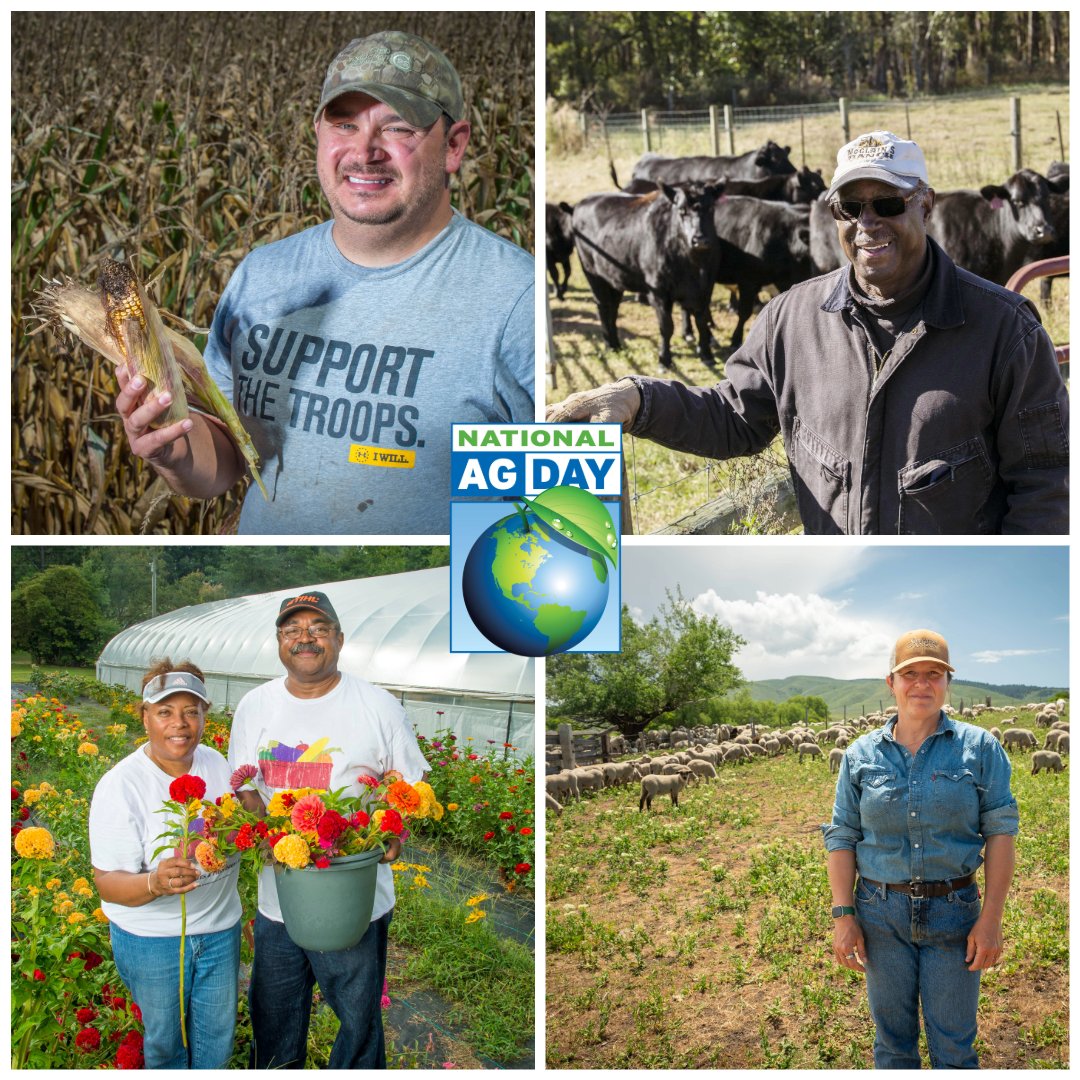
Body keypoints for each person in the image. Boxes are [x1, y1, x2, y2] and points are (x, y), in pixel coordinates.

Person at [116, 30, 534, 534]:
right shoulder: (262, 275)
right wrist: (177, 452)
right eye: (344, 123)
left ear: (454, 146)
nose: (365, 151)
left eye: (397, 128)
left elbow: (578, 513)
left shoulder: (515, 297)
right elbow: (229, 457)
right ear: (318, 133)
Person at [547, 130, 1068, 534]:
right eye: (850, 207)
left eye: (887, 203)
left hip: (951, 583)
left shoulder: (1005, 330)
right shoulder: (790, 319)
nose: (868, 223)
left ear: (925, 205)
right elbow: (734, 417)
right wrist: (637, 399)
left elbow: (1046, 483)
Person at [227, 589, 429, 1068]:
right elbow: (245, 784)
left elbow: (411, 785)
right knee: (273, 1015)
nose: (305, 639)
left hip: (354, 899)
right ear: (279, 642)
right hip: (280, 901)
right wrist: (268, 835)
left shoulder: (377, 706)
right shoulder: (255, 705)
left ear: (339, 638)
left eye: (317, 629)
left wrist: (392, 834)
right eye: (293, 630)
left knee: (358, 1020)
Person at [822, 629, 1018, 1068]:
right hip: (879, 914)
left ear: (948, 682)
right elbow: (842, 836)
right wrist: (843, 915)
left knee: (953, 1045)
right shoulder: (860, 755)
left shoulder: (980, 748)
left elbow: (1001, 833)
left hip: (954, 911)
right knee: (892, 1044)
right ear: (891, 682)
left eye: (934, 674)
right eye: (910, 673)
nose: (922, 684)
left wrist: (991, 919)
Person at [88, 661, 241, 1069]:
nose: (181, 724)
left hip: (220, 931)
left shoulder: (216, 764)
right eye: (165, 711)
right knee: (165, 1043)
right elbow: (107, 883)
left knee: (216, 1036)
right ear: (144, 716)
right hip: (153, 940)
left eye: (192, 711)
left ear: (205, 717)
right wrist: (155, 882)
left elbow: (240, 824)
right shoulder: (121, 785)